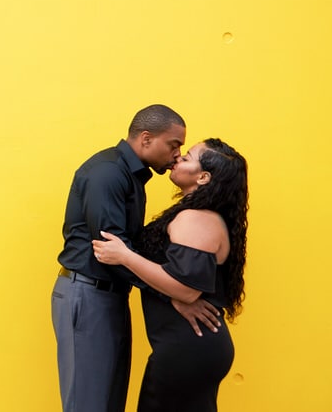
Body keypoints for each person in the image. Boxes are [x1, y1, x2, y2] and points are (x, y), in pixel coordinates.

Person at [52, 105, 220, 412]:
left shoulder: (131, 177)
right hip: (88, 295)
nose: (177, 155)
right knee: (87, 404)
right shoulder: (106, 174)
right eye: (174, 145)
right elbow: (111, 252)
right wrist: (174, 295)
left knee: (109, 401)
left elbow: (127, 253)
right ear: (145, 138)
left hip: (109, 297)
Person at [92, 138, 249, 412]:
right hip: (189, 349)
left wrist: (125, 256)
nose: (177, 159)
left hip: (188, 349)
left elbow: (187, 289)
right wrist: (172, 295)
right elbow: (182, 286)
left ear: (203, 177)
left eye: (187, 157)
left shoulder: (196, 219)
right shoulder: (196, 215)